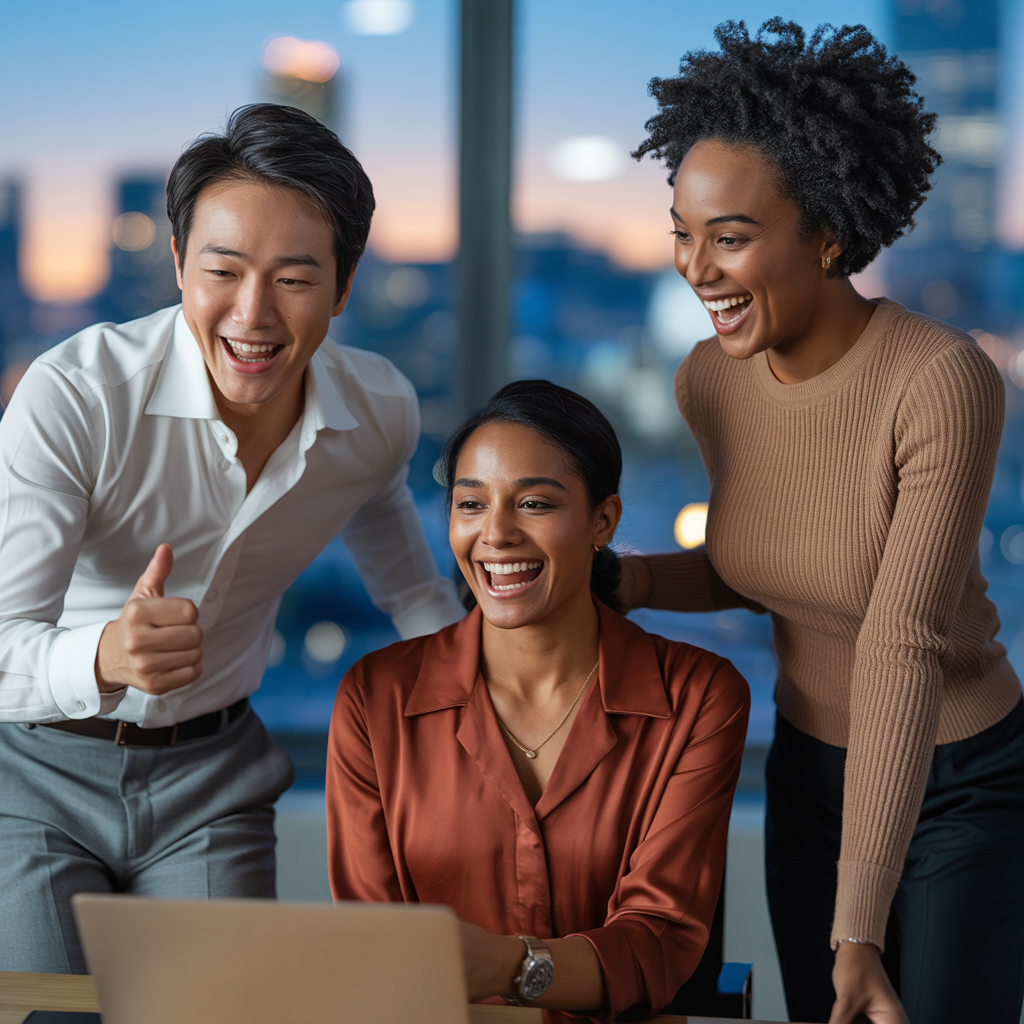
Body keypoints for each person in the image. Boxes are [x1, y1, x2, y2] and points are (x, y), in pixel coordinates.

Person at [0, 103, 466, 974]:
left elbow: (407, 582)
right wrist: (103, 654)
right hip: (30, 773)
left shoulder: (380, 410)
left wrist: (481, 683)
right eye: (223, 270)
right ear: (178, 263)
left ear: (346, 282)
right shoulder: (75, 396)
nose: (252, 316)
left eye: (294, 278)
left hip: (212, 779)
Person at [621, 18, 1024, 1024]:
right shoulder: (710, 380)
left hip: (955, 780)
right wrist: (617, 582)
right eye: (683, 231)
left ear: (828, 233)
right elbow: (757, 563)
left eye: (731, 237)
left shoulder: (940, 379)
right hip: (808, 772)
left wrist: (858, 932)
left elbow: (897, 638)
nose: (696, 268)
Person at [326, 380, 750, 1021]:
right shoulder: (375, 699)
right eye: (471, 504)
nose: (495, 534)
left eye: (533, 504)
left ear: (601, 521)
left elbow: (658, 938)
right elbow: (377, 947)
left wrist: (506, 965)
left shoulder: (698, 697)